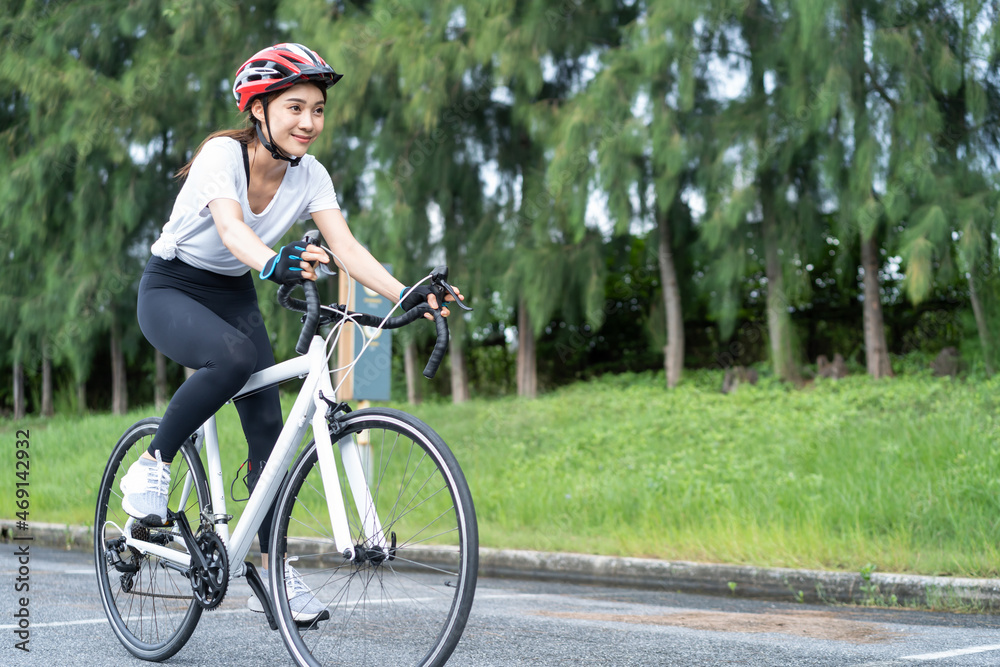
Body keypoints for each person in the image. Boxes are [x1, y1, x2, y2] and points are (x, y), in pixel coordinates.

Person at [118, 43, 461, 622]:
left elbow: (346, 247)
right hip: (172, 287)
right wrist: (275, 261)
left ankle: (274, 570)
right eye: (295, 107)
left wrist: (409, 293)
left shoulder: (312, 176)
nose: (309, 122)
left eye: (318, 109)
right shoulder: (222, 155)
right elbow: (230, 230)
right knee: (230, 361)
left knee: (268, 433)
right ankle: (152, 463)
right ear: (259, 109)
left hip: (232, 293)